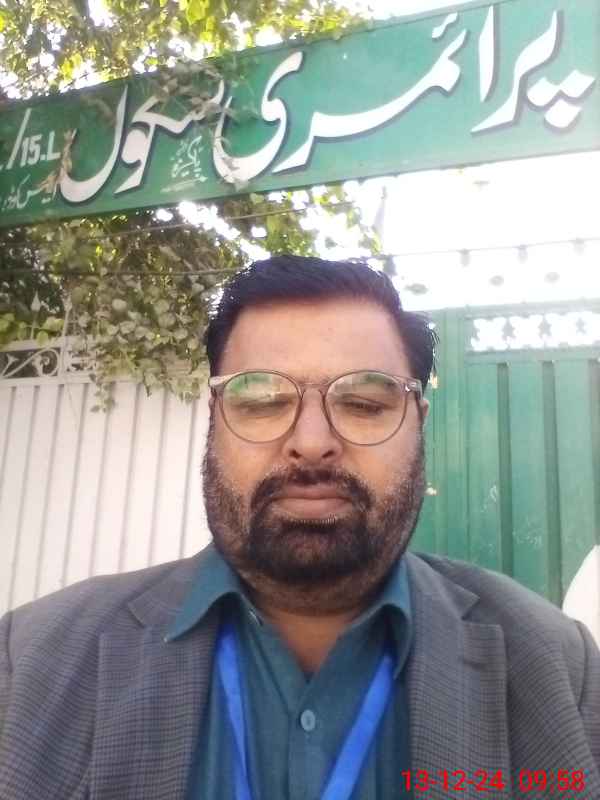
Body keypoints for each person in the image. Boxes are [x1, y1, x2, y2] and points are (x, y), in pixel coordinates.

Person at [0, 255, 598, 800]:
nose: (312, 444)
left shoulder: (559, 671)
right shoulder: (29, 662)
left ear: (419, 422)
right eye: (262, 401)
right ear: (214, 421)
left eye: (364, 404)